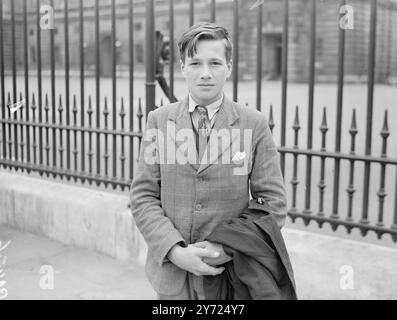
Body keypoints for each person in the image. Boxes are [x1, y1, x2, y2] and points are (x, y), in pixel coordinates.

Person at [130, 22, 288, 300]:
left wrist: (226, 248)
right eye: (195, 63)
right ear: (182, 68)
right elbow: (143, 196)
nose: (205, 73)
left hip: (231, 278)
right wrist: (174, 250)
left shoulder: (254, 124)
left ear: (228, 67)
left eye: (214, 63)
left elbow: (273, 204)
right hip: (172, 280)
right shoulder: (159, 120)